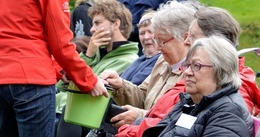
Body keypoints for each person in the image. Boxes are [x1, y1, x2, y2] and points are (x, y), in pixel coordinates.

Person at [117, 6, 260, 137]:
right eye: (188, 66)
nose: (185, 41)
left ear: (215, 44)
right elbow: (165, 128)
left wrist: (136, 120)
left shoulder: (229, 109)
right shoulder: (191, 98)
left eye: (191, 36)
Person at [0, 0, 109, 136]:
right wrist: (90, 81)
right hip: (31, 80)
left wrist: (58, 70)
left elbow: (19, 30)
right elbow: (61, 45)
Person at [99, 0, 195, 128]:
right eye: (157, 40)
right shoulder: (162, 61)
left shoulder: (195, 72)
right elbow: (143, 97)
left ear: (185, 37)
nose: (158, 47)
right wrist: (120, 85)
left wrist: (139, 116)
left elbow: (179, 120)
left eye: (163, 41)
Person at [142, 35, 253, 137]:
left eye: (196, 66)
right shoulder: (189, 102)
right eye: (188, 65)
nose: (187, 72)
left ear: (221, 70)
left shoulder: (228, 113)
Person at [56, 0, 139, 136]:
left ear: (116, 24)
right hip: (67, 116)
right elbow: (60, 86)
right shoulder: (96, 55)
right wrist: (88, 55)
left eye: (98, 23)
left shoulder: (127, 60)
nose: (92, 29)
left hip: (85, 120)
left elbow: (86, 96)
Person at [119, 9, 161, 85]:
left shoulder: (161, 61)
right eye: (142, 33)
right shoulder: (139, 60)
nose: (146, 37)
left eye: (150, 32)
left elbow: (135, 85)